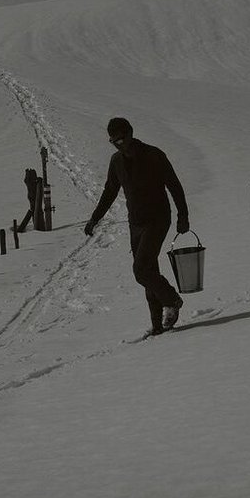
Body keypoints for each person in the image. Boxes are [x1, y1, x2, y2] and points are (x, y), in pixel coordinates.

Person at [84, 117, 190, 335]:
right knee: (149, 271)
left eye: (122, 139)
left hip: (158, 219)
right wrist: (95, 218)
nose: (119, 144)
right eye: (114, 141)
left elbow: (175, 186)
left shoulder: (154, 155)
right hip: (136, 223)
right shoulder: (116, 162)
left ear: (131, 133)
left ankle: (173, 300)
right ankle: (157, 326)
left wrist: (183, 216)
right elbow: (109, 192)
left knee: (141, 269)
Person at [15, 168, 39, 232]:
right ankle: (36, 225)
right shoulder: (31, 182)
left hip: (33, 197)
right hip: (32, 197)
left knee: (34, 210)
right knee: (34, 210)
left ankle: (36, 225)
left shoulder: (31, 182)